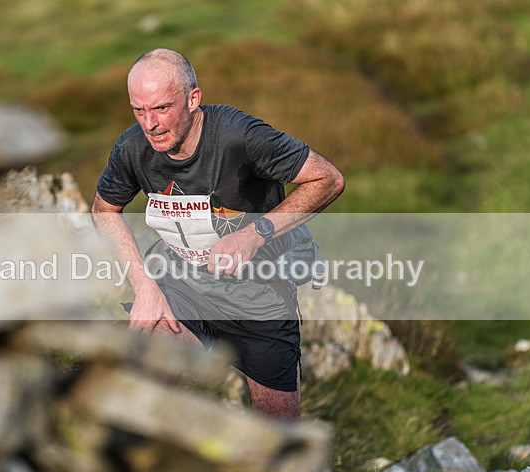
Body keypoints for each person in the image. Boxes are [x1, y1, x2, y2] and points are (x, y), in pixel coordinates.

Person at [91, 48, 345, 421]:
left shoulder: (241, 137)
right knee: (139, 384)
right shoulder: (132, 148)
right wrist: (145, 287)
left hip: (262, 298)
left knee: (277, 437)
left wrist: (256, 233)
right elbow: (103, 211)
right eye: (138, 110)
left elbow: (328, 179)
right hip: (183, 289)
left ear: (194, 99)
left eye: (162, 108)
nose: (151, 124)